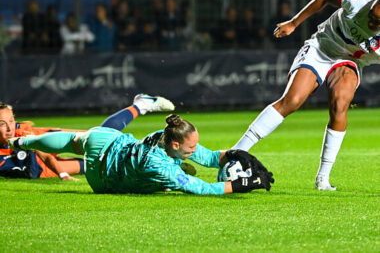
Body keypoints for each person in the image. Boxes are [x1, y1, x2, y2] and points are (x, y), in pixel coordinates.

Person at [233, 0, 380, 191]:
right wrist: (293, 23)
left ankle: (323, 178)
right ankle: (235, 153)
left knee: (340, 103)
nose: (372, 22)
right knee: (292, 101)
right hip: (322, 47)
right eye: (373, 14)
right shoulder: (357, 1)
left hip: (350, 60)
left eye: (377, 23)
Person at [9, 94, 275, 195]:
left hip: (109, 143)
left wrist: (233, 154)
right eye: (189, 148)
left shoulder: (164, 132)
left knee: (73, 139)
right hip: (102, 178)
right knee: (172, 181)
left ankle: (21, 140)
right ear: (173, 144)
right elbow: (202, 188)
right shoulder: (159, 164)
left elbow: (206, 157)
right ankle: (176, 170)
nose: (196, 150)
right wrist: (243, 184)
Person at [0, 102, 84, 180]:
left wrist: (62, 175)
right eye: (2, 124)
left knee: (87, 137)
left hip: (41, 137)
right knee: (88, 165)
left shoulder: (21, 132)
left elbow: (44, 154)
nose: (9, 129)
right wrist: (63, 174)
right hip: (43, 168)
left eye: (11, 121)